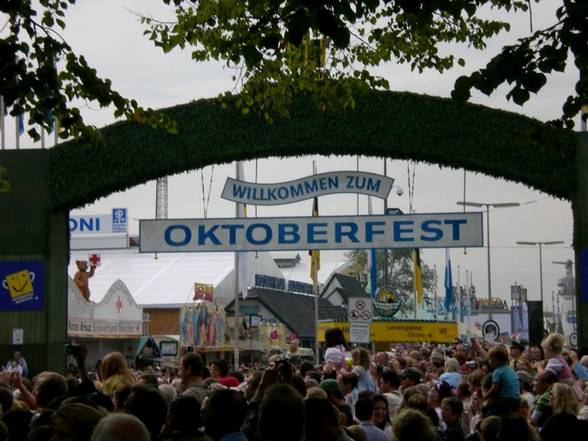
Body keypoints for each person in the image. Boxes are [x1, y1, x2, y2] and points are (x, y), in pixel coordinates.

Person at [482, 345, 520, 416]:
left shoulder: (497, 371)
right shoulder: (509, 369)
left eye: (490, 359)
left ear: (495, 360)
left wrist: (484, 397)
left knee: (487, 408)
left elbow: (494, 389)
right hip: (517, 400)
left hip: (506, 401)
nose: (489, 361)